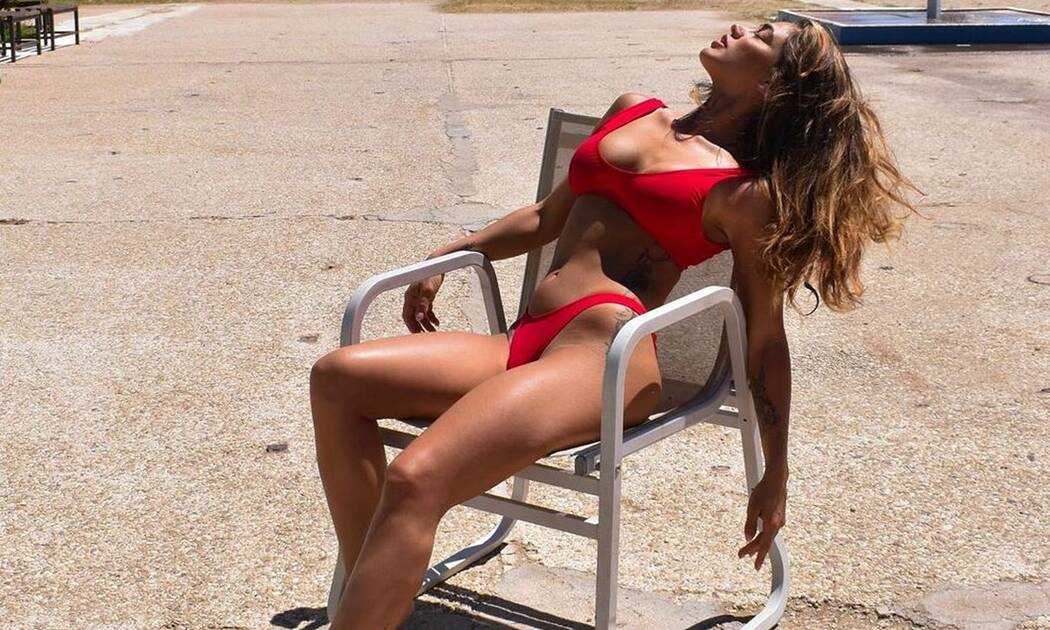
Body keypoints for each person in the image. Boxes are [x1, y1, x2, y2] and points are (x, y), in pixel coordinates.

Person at [310, 18, 921, 629]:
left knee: (416, 477)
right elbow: (544, 217)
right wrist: (451, 254)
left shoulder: (746, 194)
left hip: (602, 360)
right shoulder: (634, 110)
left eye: (762, 36)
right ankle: (378, 592)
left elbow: (762, 339)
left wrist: (774, 472)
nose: (738, 28)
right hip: (525, 340)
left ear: (776, 85)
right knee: (337, 379)